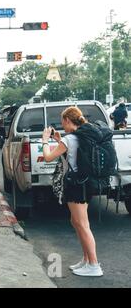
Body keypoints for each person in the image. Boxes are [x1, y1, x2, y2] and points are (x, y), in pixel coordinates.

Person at [41, 106, 103, 277]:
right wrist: (60, 140)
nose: (62, 126)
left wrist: (45, 140)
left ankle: (94, 264)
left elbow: (48, 157)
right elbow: (70, 157)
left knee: (82, 224)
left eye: (63, 122)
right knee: (77, 222)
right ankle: (86, 259)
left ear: (68, 120)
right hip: (85, 183)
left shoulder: (70, 139)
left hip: (76, 185)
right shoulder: (81, 136)